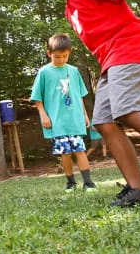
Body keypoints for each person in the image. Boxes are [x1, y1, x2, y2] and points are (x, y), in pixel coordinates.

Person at [31, 0, 140, 206]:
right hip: (110, 62)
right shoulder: (70, 7)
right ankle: (138, 188)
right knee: (103, 121)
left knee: (127, 110)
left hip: (130, 48)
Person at [31, 33, 97, 193]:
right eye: (57, 56)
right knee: (65, 153)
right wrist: (43, 116)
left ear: (70, 53)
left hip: (74, 119)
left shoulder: (73, 71)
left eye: (65, 56)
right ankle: (70, 183)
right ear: (49, 54)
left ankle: (88, 183)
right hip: (56, 121)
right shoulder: (44, 72)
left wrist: (85, 114)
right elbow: (37, 98)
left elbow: (79, 95)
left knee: (79, 150)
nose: (61, 59)